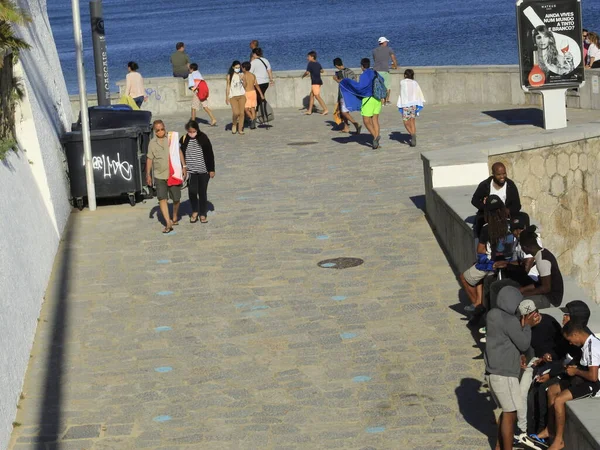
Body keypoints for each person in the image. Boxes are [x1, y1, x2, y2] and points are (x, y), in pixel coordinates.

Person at [530, 320, 600, 450]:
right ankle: (549, 430)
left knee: (559, 400)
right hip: (580, 379)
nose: (570, 343)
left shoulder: (592, 347)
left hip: (593, 385)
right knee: (551, 390)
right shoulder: (584, 345)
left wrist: (576, 371)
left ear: (575, 334)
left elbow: (593, 376)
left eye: (570, 339)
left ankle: (558, 441)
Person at [485, 286, 536, 450]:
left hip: (493, 371)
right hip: (504, 374)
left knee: (507, 410)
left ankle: (499, 446)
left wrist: (518, 356)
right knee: (510, 413)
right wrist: (527, 325)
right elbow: (523, 343)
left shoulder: (492, 315)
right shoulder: (510, 320)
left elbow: (505, 341)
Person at [460, 195, 514, 318]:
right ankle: (479, 301)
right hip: (511, 262)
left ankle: (478, 306)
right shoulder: (511, 224)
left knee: (464, 277)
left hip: (493, 264)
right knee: (477, 268)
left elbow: (481, 250)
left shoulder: (486, 228)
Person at [490, 226, 564, 310]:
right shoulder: (542, 253)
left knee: (516, 306)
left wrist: (524, 294)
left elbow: (546, 288)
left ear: (525, 247)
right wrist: (522, 290)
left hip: (551, 299)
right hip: (546, 292)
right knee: (514, 296)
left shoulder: (542, 260)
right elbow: (540, 283)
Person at [146, 120, 186, 233]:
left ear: (165, 128)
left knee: (176, 198)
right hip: (159, 175)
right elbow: (149, 159)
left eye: (162, 129)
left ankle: (174, 216)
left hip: (173, 174)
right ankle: (168, 222)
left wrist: (184, 166)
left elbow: (179, 151)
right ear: (154, 131)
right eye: (157, 130)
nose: (160, 132)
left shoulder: (171, 138)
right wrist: (148, 174)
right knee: (162, 198)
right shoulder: (152, 143)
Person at [339, 58, 382, 149]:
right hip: (377, 99)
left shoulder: (364, 75)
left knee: (366, 121)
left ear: (362, 66)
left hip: (368, 99)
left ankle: (375, 137)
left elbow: (360, 88)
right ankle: (376, 141)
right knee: (375, 120)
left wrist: (346, 82)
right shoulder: (375, 72)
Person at [471, 162, 523, 234]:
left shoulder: (510, 185)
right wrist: (486, 208)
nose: (502, 177)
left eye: (504, 173)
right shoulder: (485, 185)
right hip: (489, 216)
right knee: (480, 222)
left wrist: (507, 211)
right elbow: (474, 200)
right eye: (499, 174)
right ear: (493, 174)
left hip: (505, 216)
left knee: (523, 218)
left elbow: (517, 205)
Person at [179, 121, 215, 224]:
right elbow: (179, 152)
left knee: (202, 192)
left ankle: (203, 213)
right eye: (190, 132)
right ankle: (195, 211)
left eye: (194, 131)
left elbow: (209, 154)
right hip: (191, 171)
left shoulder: (203, 138)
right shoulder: (184, 139)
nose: (192, 133)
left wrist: (211, 170)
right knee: (192, 192)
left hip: (204, 171)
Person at [397, 69, 425, 147]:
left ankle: (412, 135)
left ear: (405, 75)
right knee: (412, 121)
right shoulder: (415, 83)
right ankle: (413, 136)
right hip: (414, 104)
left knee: (406, 122)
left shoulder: (402, 82)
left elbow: (402, 93)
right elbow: (418, 93)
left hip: (406, 105)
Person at [372, 37, 398, 105]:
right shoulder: (389, 49)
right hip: (385, 70)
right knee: (387, 86)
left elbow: (375, 60)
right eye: (386, 42)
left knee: (378, 86)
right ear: (384, 42)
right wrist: (395, 66)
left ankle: (380, 101)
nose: (387, 43)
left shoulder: (374, 50)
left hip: (376, 71)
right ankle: (386, 101)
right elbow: (393, 58)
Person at [302, 51, 328, 115]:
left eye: (308, 57)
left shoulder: (310, 63)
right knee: (311, 95)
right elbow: (322, 71)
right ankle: (309, 111)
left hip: (315, 82)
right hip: (319, 81)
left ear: (312, 57)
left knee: (317, 96)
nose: (307, 58)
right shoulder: (318, 63)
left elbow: (307, 72)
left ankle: (325, 109)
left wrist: (303, 76)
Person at [250, 48, 273, 119]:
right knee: (260, 96)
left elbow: (250, 73)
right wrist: (271, 80)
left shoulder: (253, 62)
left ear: (254, 54)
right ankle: (261, 112)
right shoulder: (265, 60)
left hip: (257, 83)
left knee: (258, 98)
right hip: (265, 82)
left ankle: (259, 113)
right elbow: (269, 71)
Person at [241, 61, 264, 130]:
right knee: (253, 108)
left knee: (246, 109)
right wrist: (261, 94)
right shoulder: (253, 75)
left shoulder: (243, 76)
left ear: (244, 68)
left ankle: (252, 119)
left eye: (242, 67)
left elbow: (244, 86)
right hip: (253, 92)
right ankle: (253, 122)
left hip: (247, 93)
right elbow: (256, 85)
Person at [226, 60, 246, 135]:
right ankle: (234, 124)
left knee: (241, 113)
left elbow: (245, 85)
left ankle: (240, 129)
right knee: (236, 112)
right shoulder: (229, 76)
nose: (237, 69)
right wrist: (227, 96)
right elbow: (228, 86)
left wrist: (242, 79)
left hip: (241, 95)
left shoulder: (242, 74)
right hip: (233, 96)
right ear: (233, 67)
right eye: (236, 67)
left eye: (239, 67)